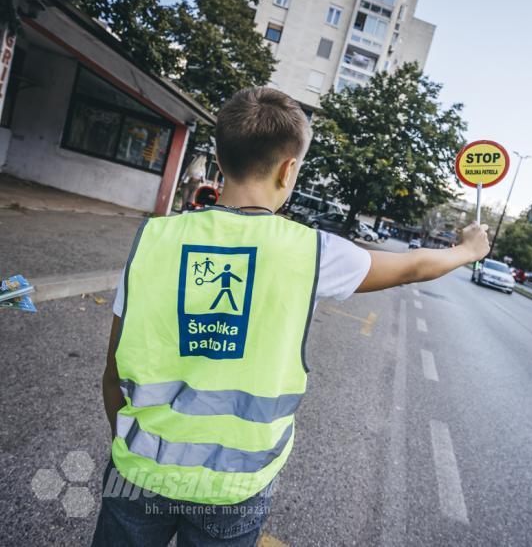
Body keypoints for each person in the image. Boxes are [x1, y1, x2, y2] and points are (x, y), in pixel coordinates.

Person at [92, 87, 489, 546]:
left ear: (219, 159)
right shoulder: (313, 253)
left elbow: (112, 372)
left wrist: (138, 450)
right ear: (289, 169)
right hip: (236, 488)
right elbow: (414, 265)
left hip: (138, 471)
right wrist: (467, 249)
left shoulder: (153, 238)